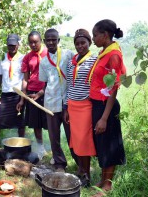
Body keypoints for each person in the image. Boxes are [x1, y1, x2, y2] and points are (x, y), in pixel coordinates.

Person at [90, 19, 126, 194]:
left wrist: (104, 118)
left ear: (105, 35)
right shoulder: (105, 51)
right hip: (98, 104)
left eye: (95, 35)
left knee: (109, 145)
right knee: (102, 144)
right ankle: (103, 179)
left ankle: (108, 186)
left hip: (107, 107)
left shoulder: (113, 56)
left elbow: (113, 89)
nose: (93, 38)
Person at [39, 28, 77, 172]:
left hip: (69, 102)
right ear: (44, 42)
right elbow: (45, 82)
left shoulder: (68, 55)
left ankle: (80, 162)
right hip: (51, 103)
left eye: (53, 39)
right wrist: (39, 94)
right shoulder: (43, 62)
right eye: (48, 40)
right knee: (54, 136)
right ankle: (60, 163)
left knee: (72, 135)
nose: (51, 42)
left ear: (58, 40)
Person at [64, 29, 97, 187]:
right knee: (76, 141)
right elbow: (69, 84)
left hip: (85, 106)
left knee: (84, 142)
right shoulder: (73, 60)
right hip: (72, 105)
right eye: (77, 43)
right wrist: (66, 108)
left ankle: (87, 175)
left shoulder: (94, 60)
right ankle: (81, 169)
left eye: (83, 43)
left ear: (89, 43)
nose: (80, 46)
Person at [16, 31, 48, 159]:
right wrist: (23, 98)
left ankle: (55, 150)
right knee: (36, 123)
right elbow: (25, 79)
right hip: (32, 93)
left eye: (36, 42)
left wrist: (42, 92)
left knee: (50, 122)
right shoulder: (27, 57)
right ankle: (41, 147)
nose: (33, 44)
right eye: (31, 42)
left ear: (41, 41)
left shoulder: (48, 54)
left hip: (47, 92)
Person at [0, 34, 25, 147]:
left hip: (18, 95)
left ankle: (21, 147)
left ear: (18, 45)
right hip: (5, 95)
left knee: (20, 123)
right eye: (10, 45)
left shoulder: (23, 58)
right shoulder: (2, 57)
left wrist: (22, 99)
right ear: (7, 45)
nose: (12, 47)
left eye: (14, 45)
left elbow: (25, 79)